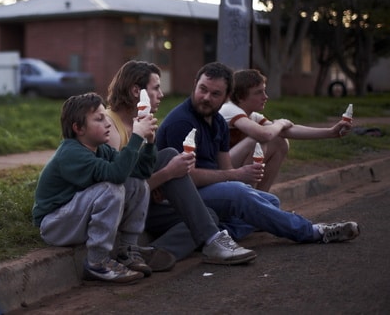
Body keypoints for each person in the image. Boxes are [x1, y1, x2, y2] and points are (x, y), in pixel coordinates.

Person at [156, 61, 360, 244]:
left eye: (215, 93)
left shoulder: (216, 120)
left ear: (227, 96)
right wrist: (236, 176)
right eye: (203, 89)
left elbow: (225, 166)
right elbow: (186, 178)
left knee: (270, 201)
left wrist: (331, 132)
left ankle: (220, 234)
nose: (206, 97)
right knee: (241, 194)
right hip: (180, 197)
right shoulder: (182, 122)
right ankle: (313, 231)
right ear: (195, 84)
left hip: (208, 189)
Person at [105, 60, 256, 265]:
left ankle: (157, 253)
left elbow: (139, 180)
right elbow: (116, 193)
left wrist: (160, 180)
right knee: (169, 156)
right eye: (156, 88)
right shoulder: (110, 127)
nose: (162, 94)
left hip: (144, 206)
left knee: (208, 215)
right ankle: (213, 241)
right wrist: (166, 174)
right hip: (115, 212)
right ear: (135, 91)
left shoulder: (140, 125)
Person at [32, 92, 174, 284]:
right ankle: (96, 262)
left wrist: (149, 141)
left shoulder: (101, 149)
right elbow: (116, 175)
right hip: (55, 225)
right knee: (111, 188)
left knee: (137, 184)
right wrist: (136, 136)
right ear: (78, 128)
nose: (108, 123)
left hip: (76, 219)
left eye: (106, 118)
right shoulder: (71, 153)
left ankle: (127, 250)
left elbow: (140, 171)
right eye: (99, 119)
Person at [220, 68, 353, 191]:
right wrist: (281, 123)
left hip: (231, 165)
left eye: (264, 91)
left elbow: (285, 131)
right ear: (240, 97)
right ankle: (247, 198)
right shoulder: (229, 109)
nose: (265, 97)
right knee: (258, 140)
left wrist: (331, 132)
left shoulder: (251, 115)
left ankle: (261, 196)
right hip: (217, 169)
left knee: (280, 141)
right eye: (258, 92)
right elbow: (264, 135)